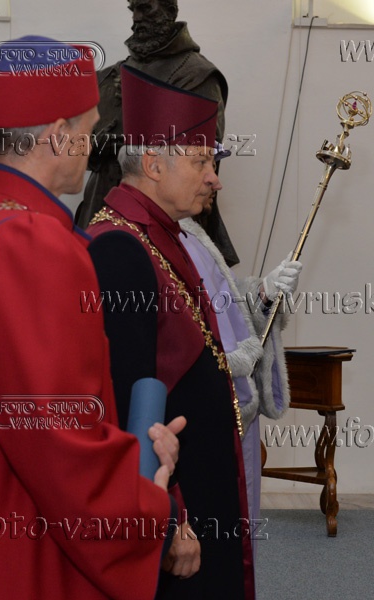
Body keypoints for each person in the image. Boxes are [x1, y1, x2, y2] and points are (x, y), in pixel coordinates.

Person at [0, 37, 198, 600]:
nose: (92, 145)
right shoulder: (30, 244)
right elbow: (60, 443)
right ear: (56, 134)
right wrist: (150, 501)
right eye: (89, 129)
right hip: (22, 543)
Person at [85, 65, 253, 599]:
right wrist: (168, 517)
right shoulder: (119, 248)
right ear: (154, 164)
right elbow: (124, 407)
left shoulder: (163, 236)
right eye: (202, 161)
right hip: (177, 505)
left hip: (199, 490)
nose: (215, 177)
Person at [76, 0, 237, 269]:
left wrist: (119, 145)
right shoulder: (107, 77)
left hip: (164, 221)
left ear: (169, 11)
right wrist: (95, 146)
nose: (137, 18)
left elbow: (201, 156)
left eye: (146, 8)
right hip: (99, 212)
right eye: (133, 10)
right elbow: (79, 152)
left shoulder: (198, 75)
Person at [180, 194, 299, 549]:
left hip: (232, 409)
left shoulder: (192, 234)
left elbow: (230, 312)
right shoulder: (149, 239)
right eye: (202, 166)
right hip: (198, 416)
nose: (214, 179)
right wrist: (231, 359)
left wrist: (264, 293)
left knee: (233, 541)